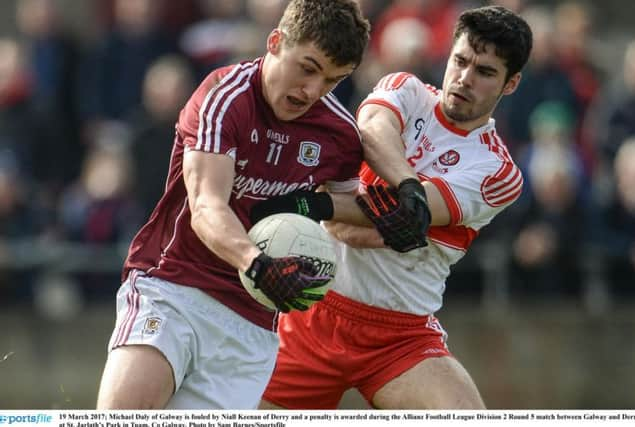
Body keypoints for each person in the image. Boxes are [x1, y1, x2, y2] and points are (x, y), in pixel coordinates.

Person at [95, 0, 373, 409]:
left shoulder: (340, 135)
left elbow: (348, 216)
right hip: (174, 288)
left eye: (333, 81)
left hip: (252, 324)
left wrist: (335, 209)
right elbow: (207, 206)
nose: (312, 91)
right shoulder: (225, 96)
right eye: (308, 68)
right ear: (275, 42)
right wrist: (257, 264)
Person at [257, 5, 533, 409]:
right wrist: (408, 186)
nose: (464, 79)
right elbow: (371, 129)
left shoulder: (498, 170)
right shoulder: (406, 88)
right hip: (312, 309)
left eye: (485, 72)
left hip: (399, 335)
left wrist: (320, 206)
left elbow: (404, 215)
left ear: (511, 84)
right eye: (460, 61)